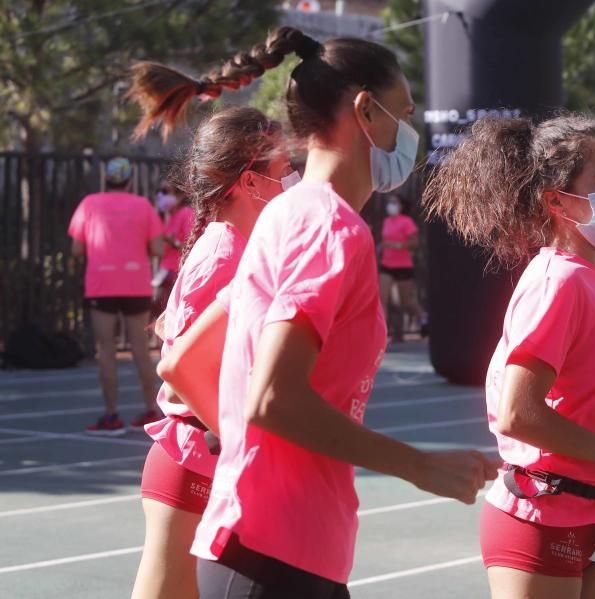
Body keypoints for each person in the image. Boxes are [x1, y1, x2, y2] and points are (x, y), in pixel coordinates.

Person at [153, 28, 497, 598]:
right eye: (404, 113)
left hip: (281, 548)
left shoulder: (288, 213)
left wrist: (244, 448)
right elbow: (271, 398)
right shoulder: (333, 228)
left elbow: (184, 363)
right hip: (273, 557)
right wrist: (419, 465)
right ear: (365, 109)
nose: (411, 132)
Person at [423, 114, 595, 599]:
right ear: (556, 200)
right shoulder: (561, 281)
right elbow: (519, 414)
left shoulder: (583, 279)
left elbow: (565, 407)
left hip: (587, 516)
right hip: (542, 517)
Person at [123, 80, 295, 599]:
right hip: (195, 458)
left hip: (213, 458)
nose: (293, 181)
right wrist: (240, 439)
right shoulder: (225, 250)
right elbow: (176, 365)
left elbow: (167, 328)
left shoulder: (240, 245)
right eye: (284, 171)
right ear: (250, 181)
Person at [69, 157, 164, 435]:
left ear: (106, 179)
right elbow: (157, 248)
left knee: (106, 351)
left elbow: (76, 249)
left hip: (102, 285)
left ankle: (111, 415)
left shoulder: (89, 204)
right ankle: (151, 409)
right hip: (135, 285)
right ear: (129, 180)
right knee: (140, 351)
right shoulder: (143, 206)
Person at [378, 194, 425, 341]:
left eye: (394, 202)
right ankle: (382, 334)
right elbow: (384, 241)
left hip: (403, 266)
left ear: (401, 206)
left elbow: (414, 242)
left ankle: (424, 319)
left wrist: (398, 245)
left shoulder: (407, 222)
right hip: (387, 265)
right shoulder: (386, 221)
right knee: (382, 299)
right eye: (390, 202)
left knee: (407, 303)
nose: (390, 205)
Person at [152, 181, 195, 318]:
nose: (160, 196)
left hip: (176, 273)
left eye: (165, 192)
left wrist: (174, 242)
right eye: (159, 191)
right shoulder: (169, 217)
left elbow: (191, 246)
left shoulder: (186, 214)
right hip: (166, 273)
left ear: (181, 195)